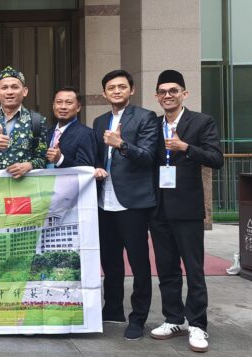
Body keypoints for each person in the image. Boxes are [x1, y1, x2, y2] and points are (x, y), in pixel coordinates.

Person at [147, 70, 224, 353]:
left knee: (193, 269)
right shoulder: (153, 124)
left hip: (188, 207)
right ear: (157, 96)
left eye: (173, 91)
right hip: (159, 208)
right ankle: (173, 318)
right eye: (163, 92)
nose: (168, 95)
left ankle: (198, 324)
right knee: (166, 268)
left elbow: (216, 158)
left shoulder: (201, 122)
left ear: (184, 94)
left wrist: (186, 147)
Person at [91, 69, 160, 340]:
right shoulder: (99, 121)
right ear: (104, 93)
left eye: (121, 87)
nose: (116, 91)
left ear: (132, 90)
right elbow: (96, 156)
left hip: (133, 202)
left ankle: (138, 318)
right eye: (111, 87)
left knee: (139, 262)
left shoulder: (145, 117)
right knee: (110, 260)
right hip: (103, 200)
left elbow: (148, 157)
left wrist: (121, 145)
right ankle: (113, 309)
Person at [45, 87, 97, 168]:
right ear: (53, 106)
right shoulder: (46, 132)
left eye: (69, 103)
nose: (63, 107)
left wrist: (60, 160)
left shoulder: (86, 134)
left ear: (78, 107)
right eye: (59, 102)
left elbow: (86, 167)